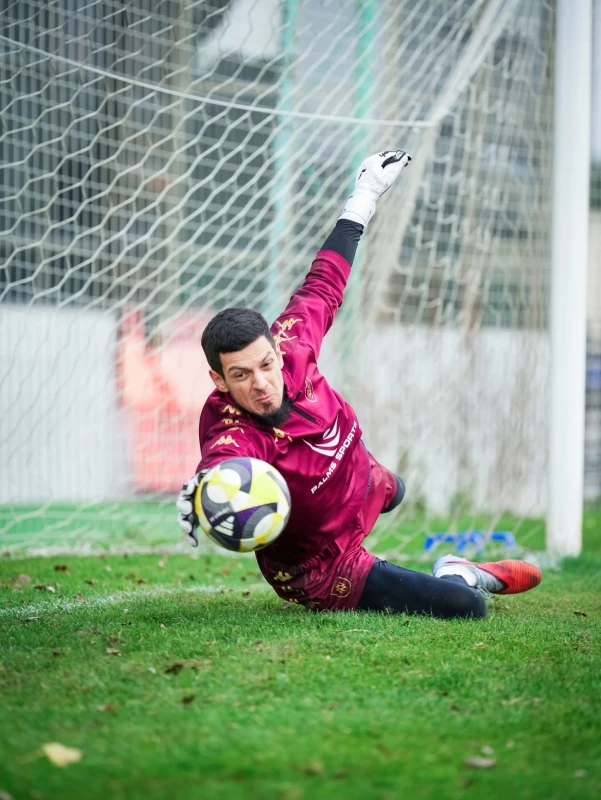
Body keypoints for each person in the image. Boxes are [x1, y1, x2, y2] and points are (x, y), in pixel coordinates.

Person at [177, 150, 542, 618]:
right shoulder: (232, 429)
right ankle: (459, 571)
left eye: (266, 364)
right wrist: (209, 487)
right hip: (325, 564)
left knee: (399, 490)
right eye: (241, 375)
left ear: (277, 350)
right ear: (219, 380)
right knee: (466, 607)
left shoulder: (293, 343)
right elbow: (225, 457)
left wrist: (364, 196)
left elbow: (324, 283)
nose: (262, 383)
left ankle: (384, 492)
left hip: (362, 477)